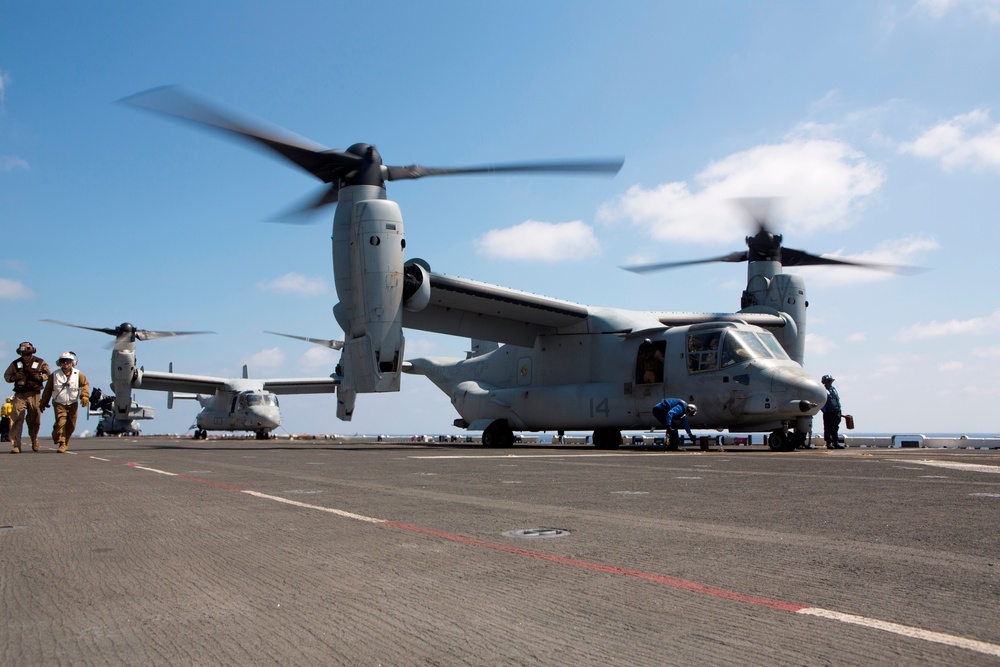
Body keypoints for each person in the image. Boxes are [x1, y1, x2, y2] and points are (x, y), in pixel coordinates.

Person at [4, 342, 51, 454]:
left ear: (31, 352)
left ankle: (34, 438)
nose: (25, 356)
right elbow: (6, 376)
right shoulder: (15, 364)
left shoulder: (40, 362)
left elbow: (48, 374)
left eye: (27, 354)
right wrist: (14, 377)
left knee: (35, 418)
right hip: (20, 394)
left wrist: (40, 377)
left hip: (34, 394)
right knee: (16, 417)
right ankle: (16, 445)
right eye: (23, 354)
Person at [40, 352, 90, 453]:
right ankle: (62, 443)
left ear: (73, 363)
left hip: (73, 403)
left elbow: (85, 385)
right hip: (59, 403)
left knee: (71, 425)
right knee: (60, 422)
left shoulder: (78, 374)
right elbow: (48, 390)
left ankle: (65, 440)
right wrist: (43, 402)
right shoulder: (54, 375)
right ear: (60, 363)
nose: (66, 363)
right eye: (63, 361)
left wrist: (84, 396)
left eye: (68, 361)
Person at [821, 374, 844, 449]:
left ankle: (835, 442)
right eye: (828, 381)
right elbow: (821, 401)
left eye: (830, 381)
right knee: (828, 428)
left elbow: (837, 399)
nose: (830, 382)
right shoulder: (822, 390)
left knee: (835, 427)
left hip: (836, 411)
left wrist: (839, 410)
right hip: (828, 412)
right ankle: (829, 443)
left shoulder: (833, 389)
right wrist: (825, 411)